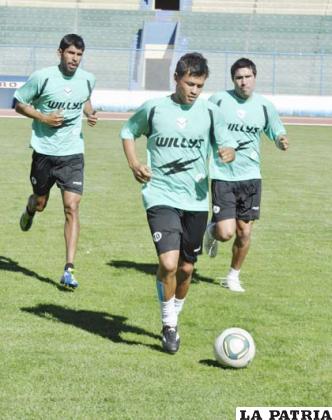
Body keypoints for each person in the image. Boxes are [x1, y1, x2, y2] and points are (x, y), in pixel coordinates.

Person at [120, 52, 237, 353]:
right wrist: (134, 164)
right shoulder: (155, 109)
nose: (194, 90)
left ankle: (174, 314)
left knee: (186, 269)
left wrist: (228, 153)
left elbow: (226, 145)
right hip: (160, 195)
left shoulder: (211, 112)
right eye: (189, 83)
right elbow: (127, 132)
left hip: (196, 201)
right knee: (168, 263)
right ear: (176, 78)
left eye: (199, 85)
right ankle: (168, 324)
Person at [14, 34, 98, 289]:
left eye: (79, 55)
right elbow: (18, 103)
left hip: (72, 153)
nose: (75, 59)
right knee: (40, 203)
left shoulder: (88, 79)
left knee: (72, 207)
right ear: (60, 52)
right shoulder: (43, 77)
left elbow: (84, 98)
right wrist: (43, 118)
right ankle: (30, 210)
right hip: (44, 152)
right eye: (71, 53)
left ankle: (69, 269)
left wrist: (90, 113)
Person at [204, 57, 289, 292]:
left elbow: (276, 130)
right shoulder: (219, 100)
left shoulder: (264, 105)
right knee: (226, 232)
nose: (244, 82)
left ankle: (233, 276)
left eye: (247, 77)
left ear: (254, 77)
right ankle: (211, 231)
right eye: (239, 78)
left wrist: (281, 140)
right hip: (222, 174)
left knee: (245, 232)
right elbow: (204, 127)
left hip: (251, 176)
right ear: (233, 80)